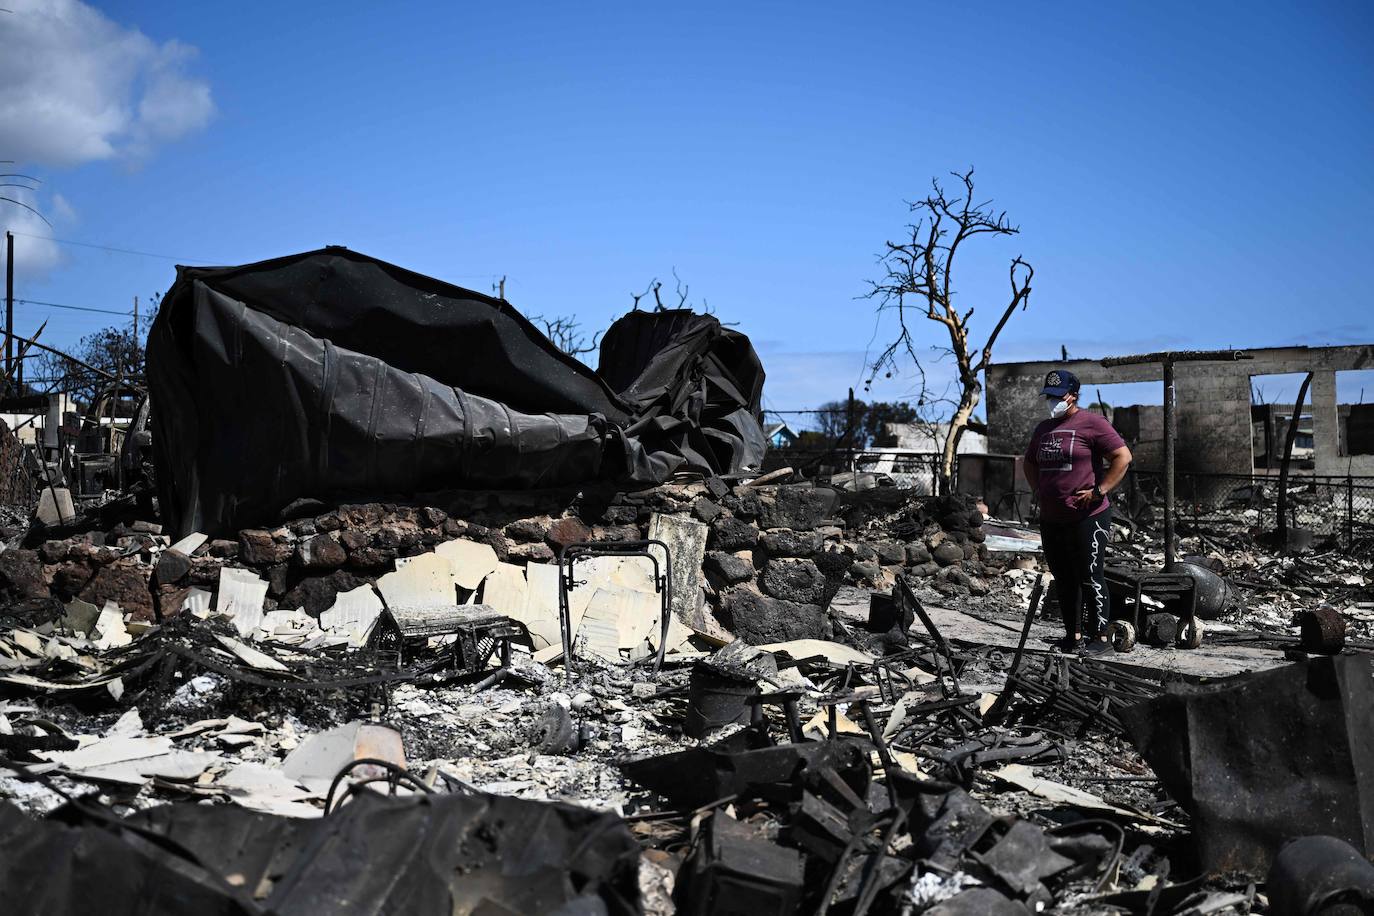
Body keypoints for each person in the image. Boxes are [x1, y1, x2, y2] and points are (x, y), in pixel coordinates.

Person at [1023, 370, 1132, 655]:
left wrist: (1100, 490)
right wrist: (1039, 490)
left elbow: (1123, 456)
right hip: (1052, 518)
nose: (1052, 401)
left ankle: (1102, 640)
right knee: (1064, 579)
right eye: (1049, 396)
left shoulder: (1092, 424)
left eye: (1058, 397)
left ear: (1072, 396)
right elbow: (1030, 462)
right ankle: (1073, 636)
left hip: (1088, 517)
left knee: (1090, 576)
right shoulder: (1043, 429)